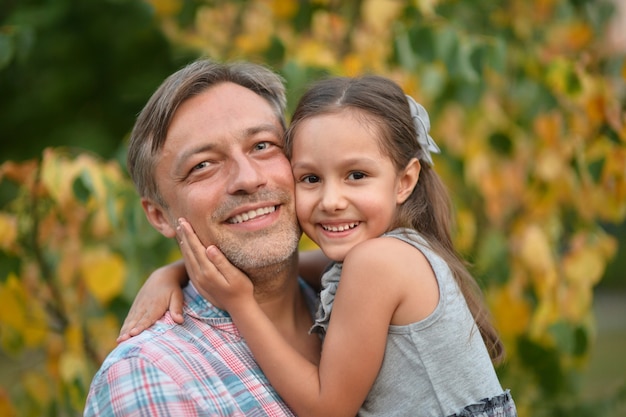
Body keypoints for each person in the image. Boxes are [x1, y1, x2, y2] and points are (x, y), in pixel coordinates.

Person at [121, 75, 518, 417]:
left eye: (356, 175)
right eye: (310, 178)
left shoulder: (376, 263)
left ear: (404, 181)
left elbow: (327, 410)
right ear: (159, 215)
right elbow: (304, 265)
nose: (331, 200)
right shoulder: (390, 255)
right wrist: (172, 273)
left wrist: (240, 303)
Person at [83, 59, 324, 416]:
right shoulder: (151, 375)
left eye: (262, 145)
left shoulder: (360, 297)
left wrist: (176, 270)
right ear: (159, 216)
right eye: (202, 165)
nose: (248, 178)